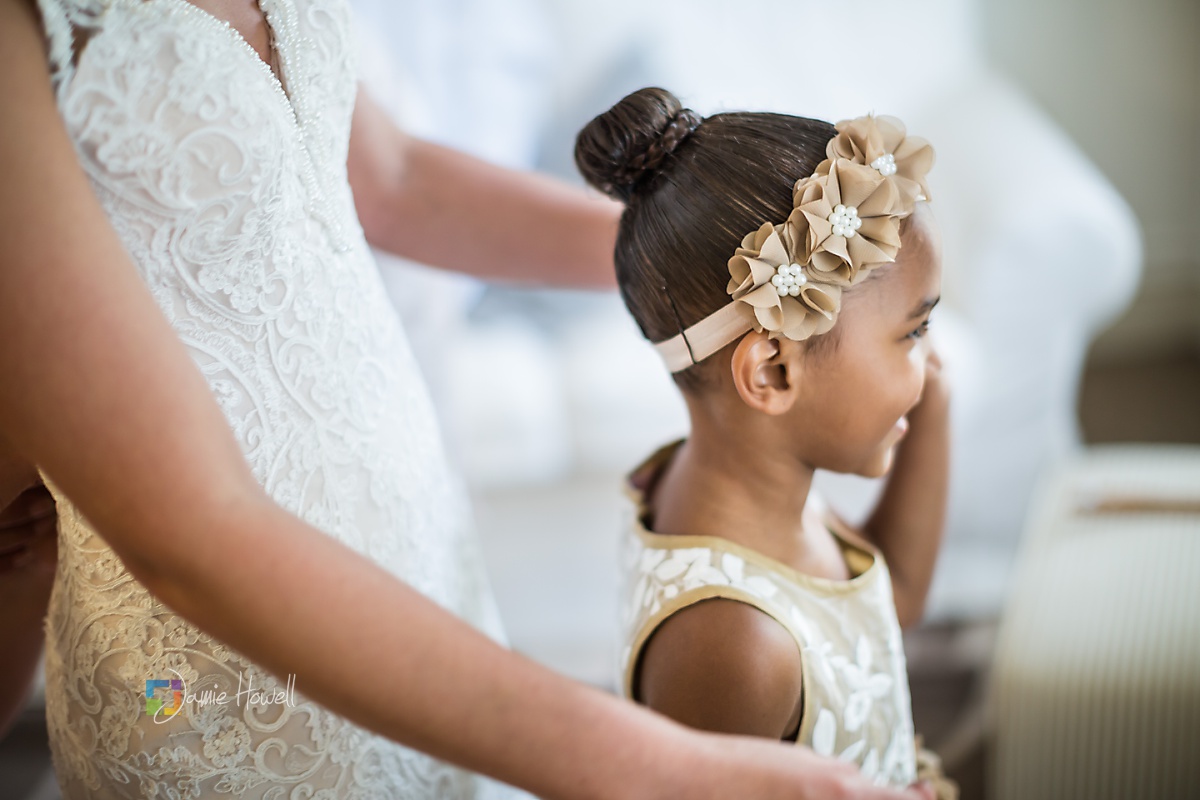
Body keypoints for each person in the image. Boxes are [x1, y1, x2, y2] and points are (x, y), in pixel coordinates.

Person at [0, 0, 936, 796]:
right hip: (211, 659)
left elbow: (395, 180)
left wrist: (704, 247)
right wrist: (647, 766)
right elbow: (191, 528)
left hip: (413, 544)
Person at [575, 88, 957, 797]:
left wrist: (933, 402)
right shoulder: (734, 647)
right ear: (773, 369)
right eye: (914, 332)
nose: (932, 364)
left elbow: (883, 600)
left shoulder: (744, 489)